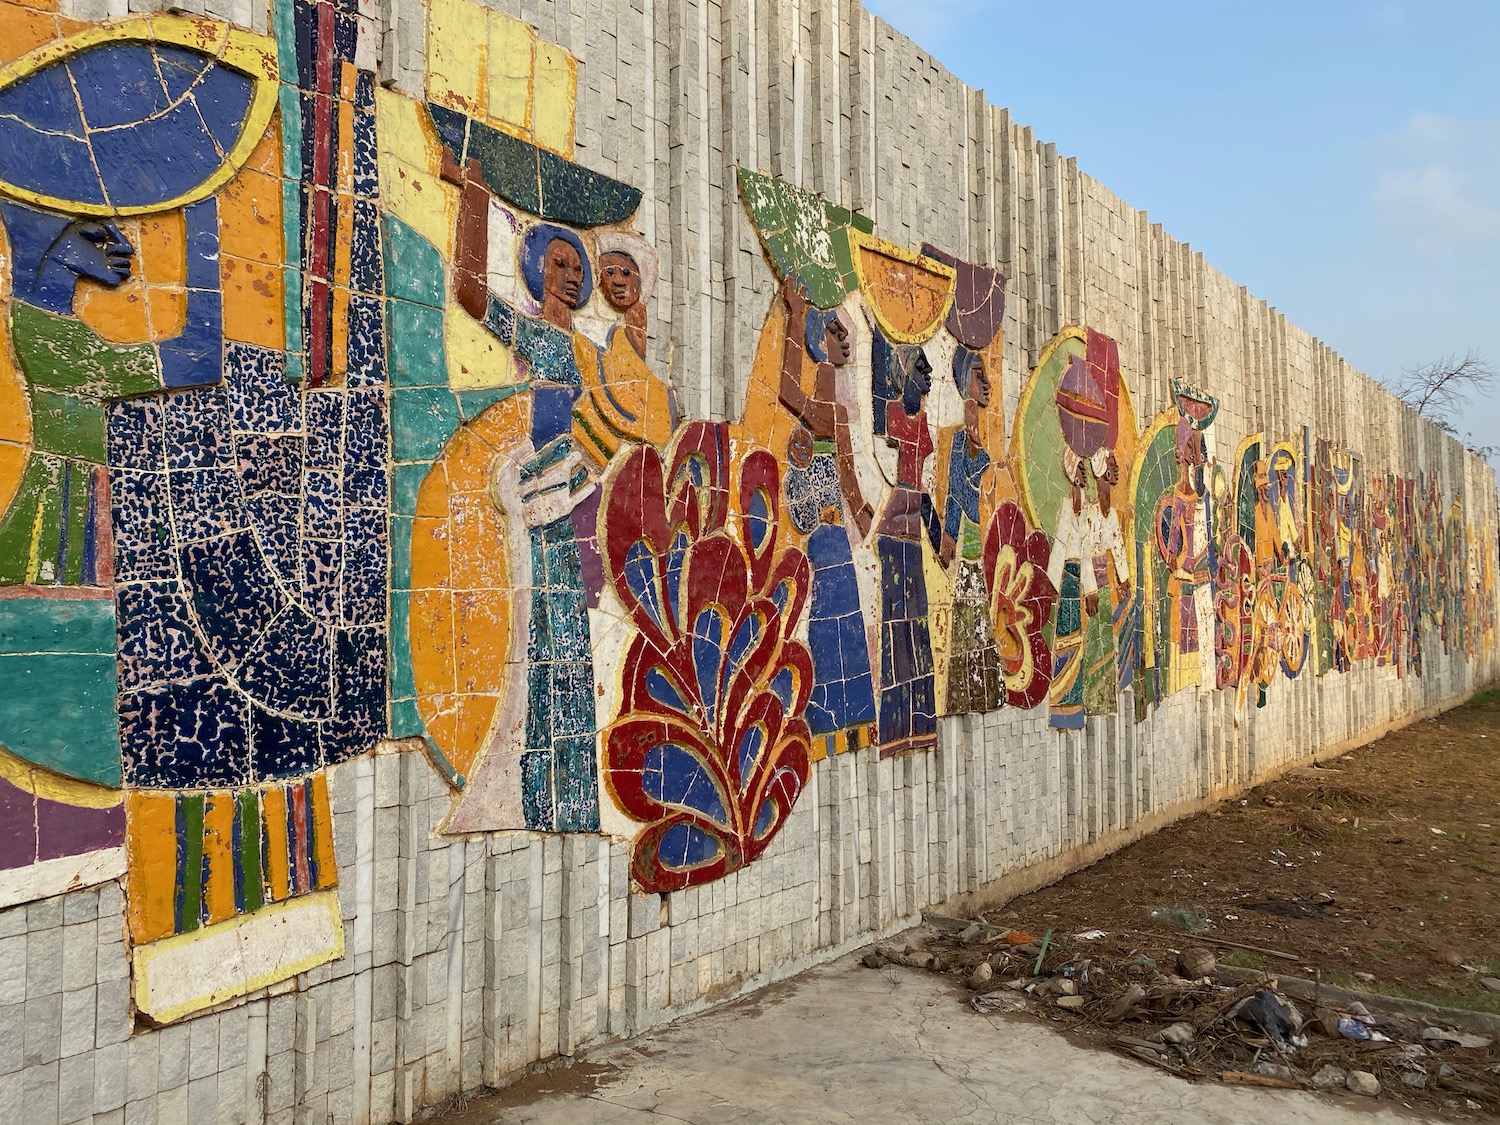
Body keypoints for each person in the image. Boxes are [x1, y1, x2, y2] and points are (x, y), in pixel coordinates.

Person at [776, 278, 876, 749]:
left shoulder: (835, 406)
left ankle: (848, 723)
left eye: (846, 333)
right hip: (820, 527)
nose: (845, 340)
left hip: (836, 525)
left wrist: (863, 512)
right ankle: (828, 722)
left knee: (843, 618)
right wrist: (795, 315)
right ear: (821, 340)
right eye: (836, 331)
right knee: (827, 620)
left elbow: (849, 470)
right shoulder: (822, 405)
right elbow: (789, 391)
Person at [872, 336, 939, 756]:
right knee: (896, 623)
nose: (928, 375)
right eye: (920, 368)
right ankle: (896, 725)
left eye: (929, 369)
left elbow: (927, 491)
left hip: (914, 529)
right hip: (894, 526)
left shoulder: (924, 425)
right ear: (903, 374)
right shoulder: (892, 415)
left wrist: (937, 533)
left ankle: (921, 721)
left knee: (918, 626)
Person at [936, 348, 1002, 714]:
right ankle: (965, 692)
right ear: (964, 382)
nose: (987, 384)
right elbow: (953, 492)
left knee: (979, 617)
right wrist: (949, 537)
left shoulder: (979, 442)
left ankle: (982, 690)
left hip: (978, 537)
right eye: (979, 375)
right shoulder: (961, 439)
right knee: (966, 615)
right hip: (965, 540)